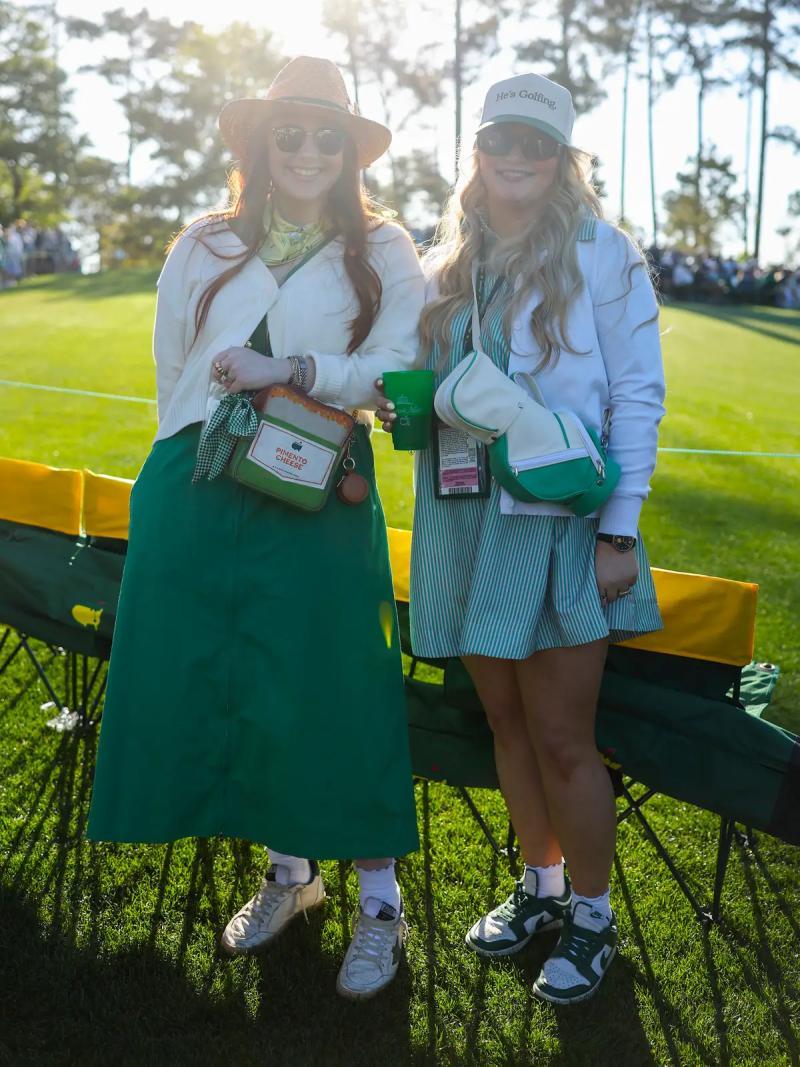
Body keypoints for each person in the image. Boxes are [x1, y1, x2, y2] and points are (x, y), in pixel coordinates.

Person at [87, 56, 425, 1000]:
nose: (308, 150)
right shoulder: (203, 242)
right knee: (233, 675)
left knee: (334, 678)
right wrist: (179, 466)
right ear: (260, 143)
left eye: (328, 136)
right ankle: (290, 873)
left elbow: (394, 365)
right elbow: (174, 370)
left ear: (350, 150)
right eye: (290, 133)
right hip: (194, 483)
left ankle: (380, 905)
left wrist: (294, 372)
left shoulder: (384, 247)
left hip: (317, 487)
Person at [378, 72, 665, 1005]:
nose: (517, 156)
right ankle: (542, 888)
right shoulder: (445, 263)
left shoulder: (603, 253)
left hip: (559, 523)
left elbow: (637, 396)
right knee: (505, 722)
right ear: (477, 150)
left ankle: (593, 915)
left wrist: (620, 530)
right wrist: (397, 403)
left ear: (564, 158)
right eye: (501, 137)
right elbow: (416, 378)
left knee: (563, 735)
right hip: (462, 520)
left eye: (537, 143)